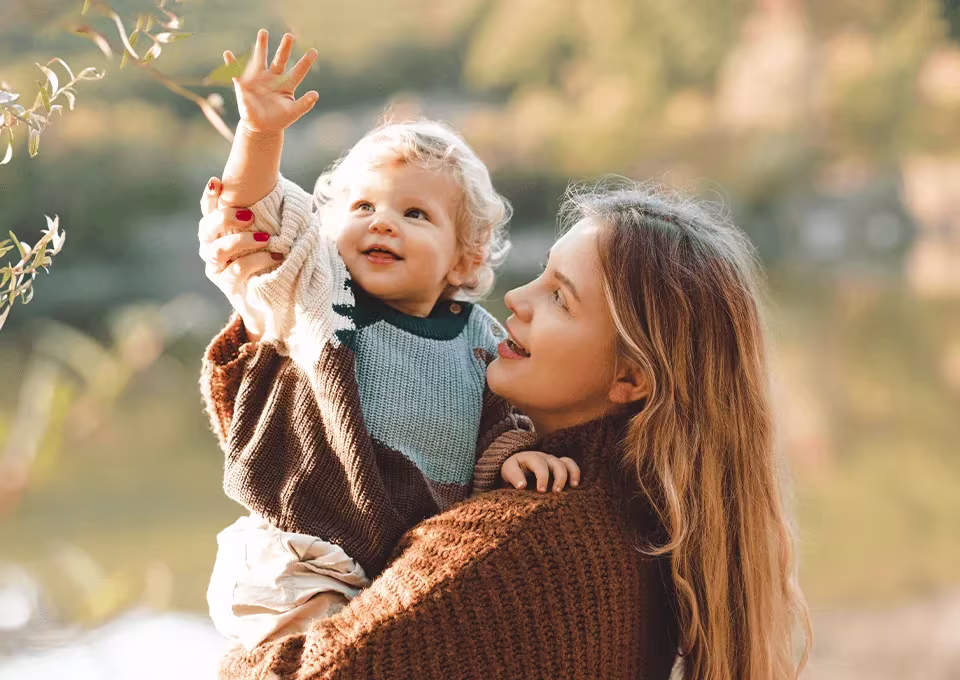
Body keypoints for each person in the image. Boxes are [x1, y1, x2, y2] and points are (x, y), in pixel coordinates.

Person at [198, 174, 812, 678]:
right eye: (540, 275)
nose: (517, 297)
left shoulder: (515, 543)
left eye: (560, 298)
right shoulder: (638, 525)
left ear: (630, 378)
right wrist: (272, 326)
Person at [200, 30, 577, 651]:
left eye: (415, 214)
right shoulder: (317, 296)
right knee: (329, 656)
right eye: (364, 206)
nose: (382, 221)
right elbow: (257, 211)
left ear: (465, 258)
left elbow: (499, 418)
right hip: (301, 554)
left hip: (396, 563)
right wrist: (260, 135)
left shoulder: (478, 336)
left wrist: (512, 457)